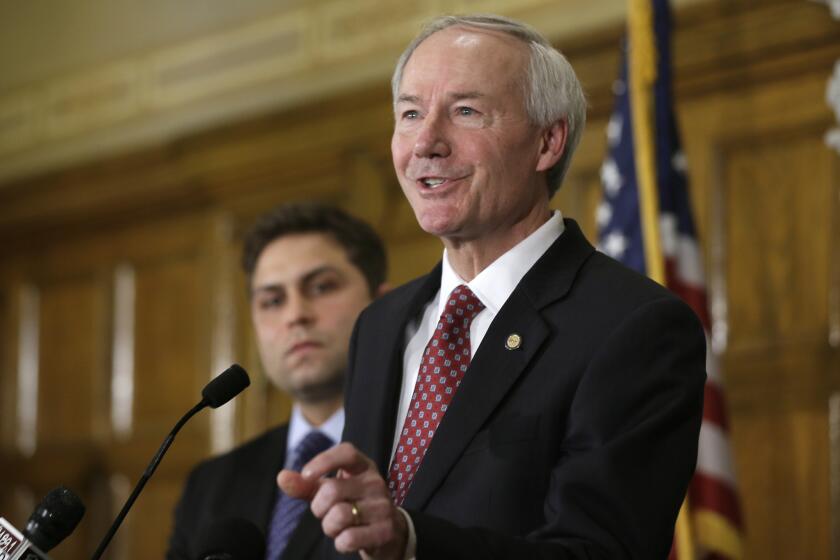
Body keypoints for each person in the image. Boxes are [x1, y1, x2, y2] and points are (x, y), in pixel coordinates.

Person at [279, 14, 707, 560]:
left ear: (548, 142)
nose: (426, 142)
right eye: (410, 113)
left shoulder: (635, 326)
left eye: (465, 112)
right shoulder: (381, 324)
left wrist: (411, 542)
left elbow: (597, 550)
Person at [167, 203, 388, 560]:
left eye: (320, 286)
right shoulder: (210, 485)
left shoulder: (420, 451)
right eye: (272, 300)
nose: (295, 314)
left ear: (384, 304)